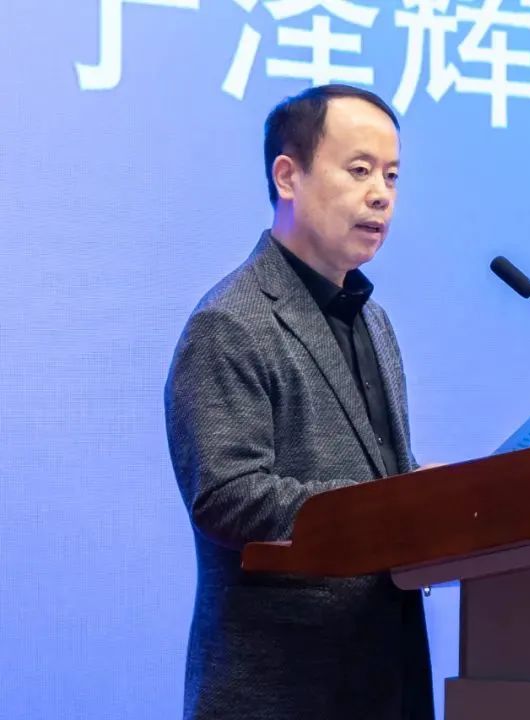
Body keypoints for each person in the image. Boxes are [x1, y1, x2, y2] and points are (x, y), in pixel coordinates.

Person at [165, 84, 433, 720]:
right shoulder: (230, 322)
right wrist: (393, 506)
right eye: (359, 170)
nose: (381, 194)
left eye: (392, 175)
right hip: (281, 689)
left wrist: (433, 498)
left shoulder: (374, 320)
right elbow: (228, 496)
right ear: (288, 176)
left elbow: (383, 476)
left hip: (385, 679)